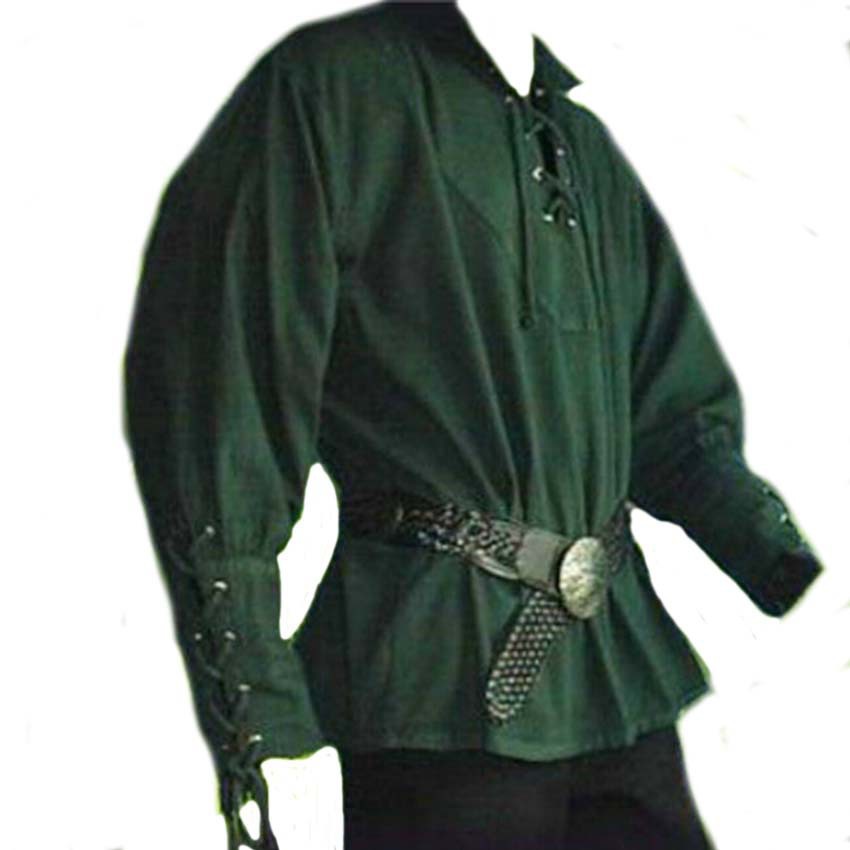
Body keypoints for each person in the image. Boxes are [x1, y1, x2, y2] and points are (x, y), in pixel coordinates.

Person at [122, 1, 824, 848]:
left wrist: (802, 577)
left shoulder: (583, 146)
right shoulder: (329, 93)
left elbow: (671, 418)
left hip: (612, 679)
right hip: (432, 694)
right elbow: (221, 407)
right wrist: (263, 720)